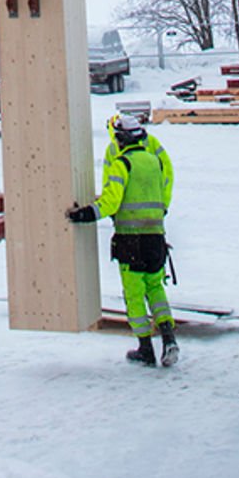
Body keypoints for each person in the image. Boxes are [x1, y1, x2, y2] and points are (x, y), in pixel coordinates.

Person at [68, 104, 180, 366]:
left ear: (121, 138)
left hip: (131, 240)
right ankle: (169, 337)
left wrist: (83, 214)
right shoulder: (153, 162)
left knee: (134, 294)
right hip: (155, 237)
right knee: (155, 287)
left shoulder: (122, 164)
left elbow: (111, 203)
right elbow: (162, 192)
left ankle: (145, 348)